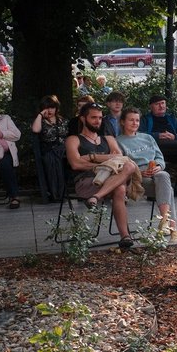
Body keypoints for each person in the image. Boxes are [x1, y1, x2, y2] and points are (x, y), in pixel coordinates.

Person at [64, 103, 139, 249]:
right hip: (87, 182)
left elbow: (120, 159)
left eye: (99, 117)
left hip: (110, 180)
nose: (98, 121)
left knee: (128, 167)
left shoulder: (109, 139)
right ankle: (125, 235)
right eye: (93, 118)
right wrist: (107, 160)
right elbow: (76, 164)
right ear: (83, 119)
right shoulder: (73, 139)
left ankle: (97, 198)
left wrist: (91, 157)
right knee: (120, 188)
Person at [117, 107, 177, 239]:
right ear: (123, 122)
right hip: (136, 178)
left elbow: (159, 157)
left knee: (163, 175)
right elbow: (120, 165)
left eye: (137, 120)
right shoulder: (118, 141)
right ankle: (172, 227)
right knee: (169, 190)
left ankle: (165, 222)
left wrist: (158, 166)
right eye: (131, 120)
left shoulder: (148, 137)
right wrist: (138, 172)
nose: (135, 123)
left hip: (155, 172)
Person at [140, 95, 177, 198]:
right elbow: (140, 135)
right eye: (157, 104)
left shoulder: (172, 119)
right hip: (154, 151)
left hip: (173, 149)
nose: (161, 106)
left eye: (163, 103)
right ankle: (153, 192)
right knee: (152, 159)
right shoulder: (145, 119)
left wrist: (174, 136)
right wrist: (158, 136)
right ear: (151, 107)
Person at [31, 95, 68, 201]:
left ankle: (60, 193)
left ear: (56, 108)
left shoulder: (63, 121)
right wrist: (40, 115)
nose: (50, 110)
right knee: (50, 158)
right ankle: (55, 194)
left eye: (52, 107)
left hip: (63, 149)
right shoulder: (41, 121)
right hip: (49, 150)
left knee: (60, 157)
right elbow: (35, 130)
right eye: (46, 107)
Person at [0, 111, 22, 209]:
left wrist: (0, 133)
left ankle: (14, 196)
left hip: (3, 153)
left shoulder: (4, 118)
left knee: (4, 164)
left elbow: (17, 135)